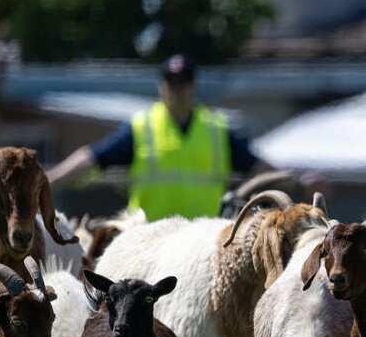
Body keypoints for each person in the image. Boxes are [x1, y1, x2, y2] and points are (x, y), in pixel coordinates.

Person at [48, 54, 260, 220]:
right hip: (150, 241)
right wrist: (48, 180)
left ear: (194, 86)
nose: (177, 90)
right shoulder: (142, 126)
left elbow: (258, 165)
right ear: (161, 86)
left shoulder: (216, 129)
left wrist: (291, 179)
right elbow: (91, 157)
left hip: (202, 242)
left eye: (183, 82)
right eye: (171, 82)